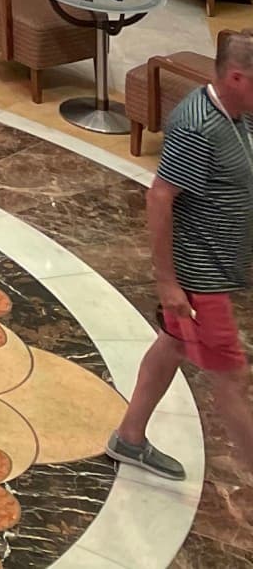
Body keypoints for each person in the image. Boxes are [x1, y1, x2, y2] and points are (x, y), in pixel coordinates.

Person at [106, 31, 253, 527]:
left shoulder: (238, 114)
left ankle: (128, 437)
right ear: (236, 77)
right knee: (232, 378)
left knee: (171, 345)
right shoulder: (197, 126)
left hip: (217, 265)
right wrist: (168, 284)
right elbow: (159, 196)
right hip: (199, 274)